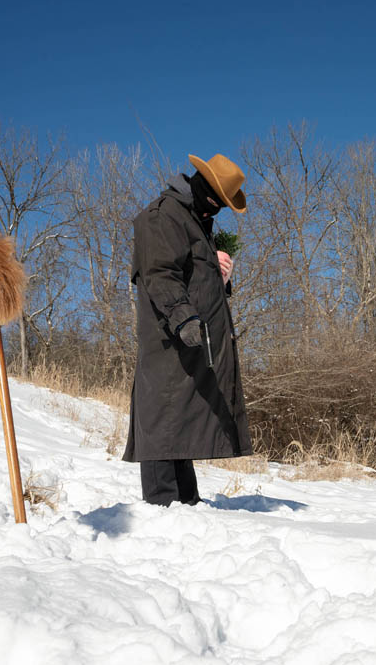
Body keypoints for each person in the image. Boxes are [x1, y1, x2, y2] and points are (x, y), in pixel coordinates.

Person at [122, 153, 253, 506]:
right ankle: (161, 504)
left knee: (180, 416)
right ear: (201, 185)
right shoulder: (164, 216)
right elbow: (160, 272)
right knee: (163, 413)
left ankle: (186, 501)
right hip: (169, 336)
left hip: (192, 337)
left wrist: (220, 277)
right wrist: (183, 317)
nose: (216, 210)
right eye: (215, 201)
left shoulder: (196, 219)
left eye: (224, 205)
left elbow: (194, 279)